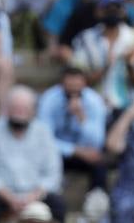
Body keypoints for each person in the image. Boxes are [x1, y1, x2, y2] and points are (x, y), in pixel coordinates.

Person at [0, 85, 64, 223]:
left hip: (36, 194)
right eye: (15, 108)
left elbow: (53, 174)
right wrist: (10, 198)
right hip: (2, 194)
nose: (19, 113)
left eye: (24, 108)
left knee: (58, 205)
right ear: (6, 109)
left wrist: (32, 197)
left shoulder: (44, 133)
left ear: (33, 111)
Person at [38, 67, 109, 195]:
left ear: (84, 85)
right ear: (61, 85)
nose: (74, 93)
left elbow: (97, 141)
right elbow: (44, 139)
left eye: (78, 89)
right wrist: (74, 150)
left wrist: (82, 118)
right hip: (58, 152)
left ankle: (96, 203)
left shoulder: (94, 101)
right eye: (70, 89)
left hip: (85, 152)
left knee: (99, 162)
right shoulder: (49, 100)